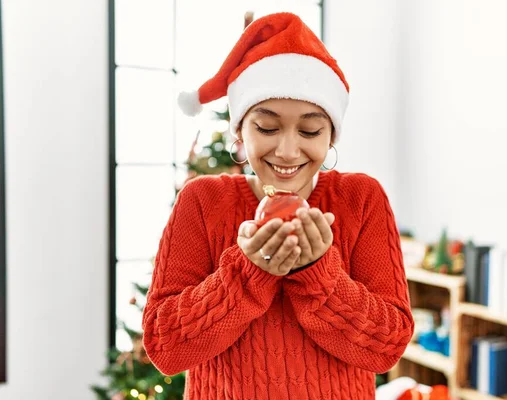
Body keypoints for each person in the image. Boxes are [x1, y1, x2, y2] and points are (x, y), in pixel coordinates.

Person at [142, 12, 414, 400]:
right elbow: (165, 348)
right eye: (267, 128)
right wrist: (247, 273)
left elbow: (387, 347)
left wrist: (320, 274)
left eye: (310, 130)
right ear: (239, 131)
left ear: (332, 133)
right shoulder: (202, 201)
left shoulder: (361, 199)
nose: (287, 151)